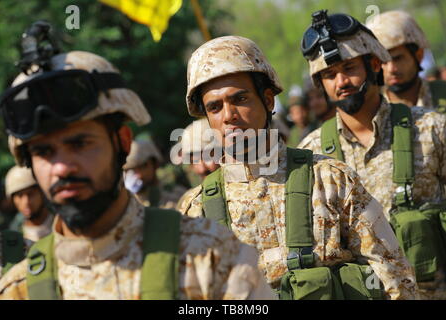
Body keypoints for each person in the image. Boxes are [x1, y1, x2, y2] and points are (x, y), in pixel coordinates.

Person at [0, 22, 274, 300]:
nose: (61, 167)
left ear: (123, 142)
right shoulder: (18, 290)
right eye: (44, 152)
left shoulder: (210, 259)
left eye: (80, 144)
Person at [177, 34, 417, 299]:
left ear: (268, 100)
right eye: (214, 107)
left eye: (240, 99)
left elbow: (395, 280)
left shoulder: (330, 181)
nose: (228, 115)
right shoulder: (195, 211)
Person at [298, 10, 446, 299]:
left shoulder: (431, 128)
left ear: (375, 64)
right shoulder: (310, 155)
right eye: (329, 75)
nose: (341, 81)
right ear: (320, 84)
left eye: (350, 68)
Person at [367, 10, 446, 109]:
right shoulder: (370, 109)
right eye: (383, 61)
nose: (391, 69)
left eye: (398, 58)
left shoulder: (445, 94)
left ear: (419, 55)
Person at [123, 138, 187, 208]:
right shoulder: (128, 205)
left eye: (142, 167)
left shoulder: (177, 194)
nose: (138, 175)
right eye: (130, 170)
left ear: (155, 164)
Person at [5, 166, 53, 243]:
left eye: (31, 194)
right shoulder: (13, 235)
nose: (26, 202)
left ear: (41, 192)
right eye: (20, 196)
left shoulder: (62, 223)